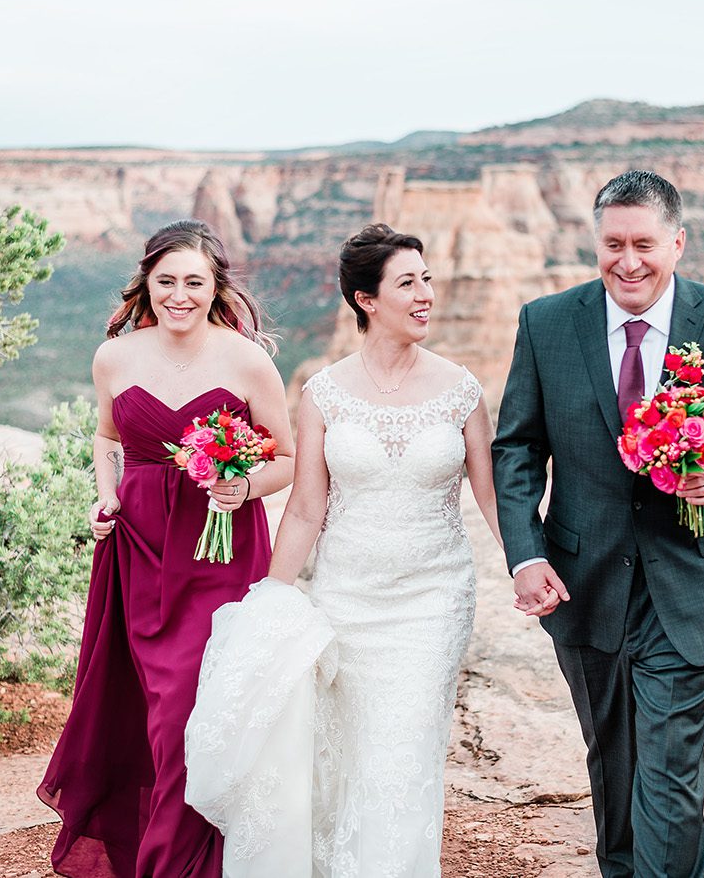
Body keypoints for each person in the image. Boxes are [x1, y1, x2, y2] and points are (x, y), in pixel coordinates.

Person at [492, 170, 704, 878]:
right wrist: (524, 553)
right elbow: (516, 448)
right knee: (614, 755)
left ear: (678, 243)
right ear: (594, 243)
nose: (627, 262)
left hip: (693, 575)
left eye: (644, 244)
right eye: (612, 245)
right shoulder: (545, 321)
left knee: (666, 760)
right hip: (583, 579)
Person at [182, 223, 502, 877]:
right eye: (407, 283)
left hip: (431, 603)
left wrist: (535, 565)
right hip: (345, 601)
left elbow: (495, 499)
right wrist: (273, 596)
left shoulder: (462, 389)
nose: (425, 296)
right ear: (366, 299)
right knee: (347, 757)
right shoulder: (323, 392)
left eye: (427, 280)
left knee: (401, 756)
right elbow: (305, 507)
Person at [37, 219, 295, 878]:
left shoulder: (246, 359)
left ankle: (175, 863)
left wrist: (242, 484)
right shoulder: (115, 357)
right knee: (151, 711)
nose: (180, 295)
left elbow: (288, 456)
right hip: (139, 550)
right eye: (167, 281)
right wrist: (107, 496)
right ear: (146, 284)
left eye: (195, 282)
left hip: (219, 551)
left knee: (195, 709)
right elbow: (105, 437)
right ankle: (158, 842)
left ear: (215, 288)